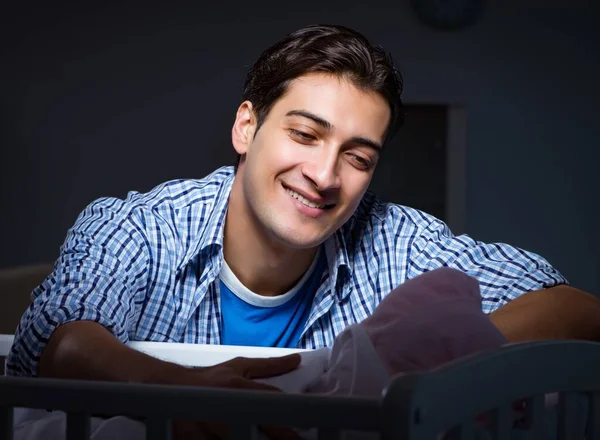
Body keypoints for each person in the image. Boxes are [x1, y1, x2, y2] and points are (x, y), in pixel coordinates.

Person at [6, 23, 600, 439]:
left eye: (358, 157)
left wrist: (417, 365)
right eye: (305, 134)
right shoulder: (140, 227)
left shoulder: (396, 242)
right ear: (247, 126)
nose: (323, 175)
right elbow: (57, 343)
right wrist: (180, 392)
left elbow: (573, 309)